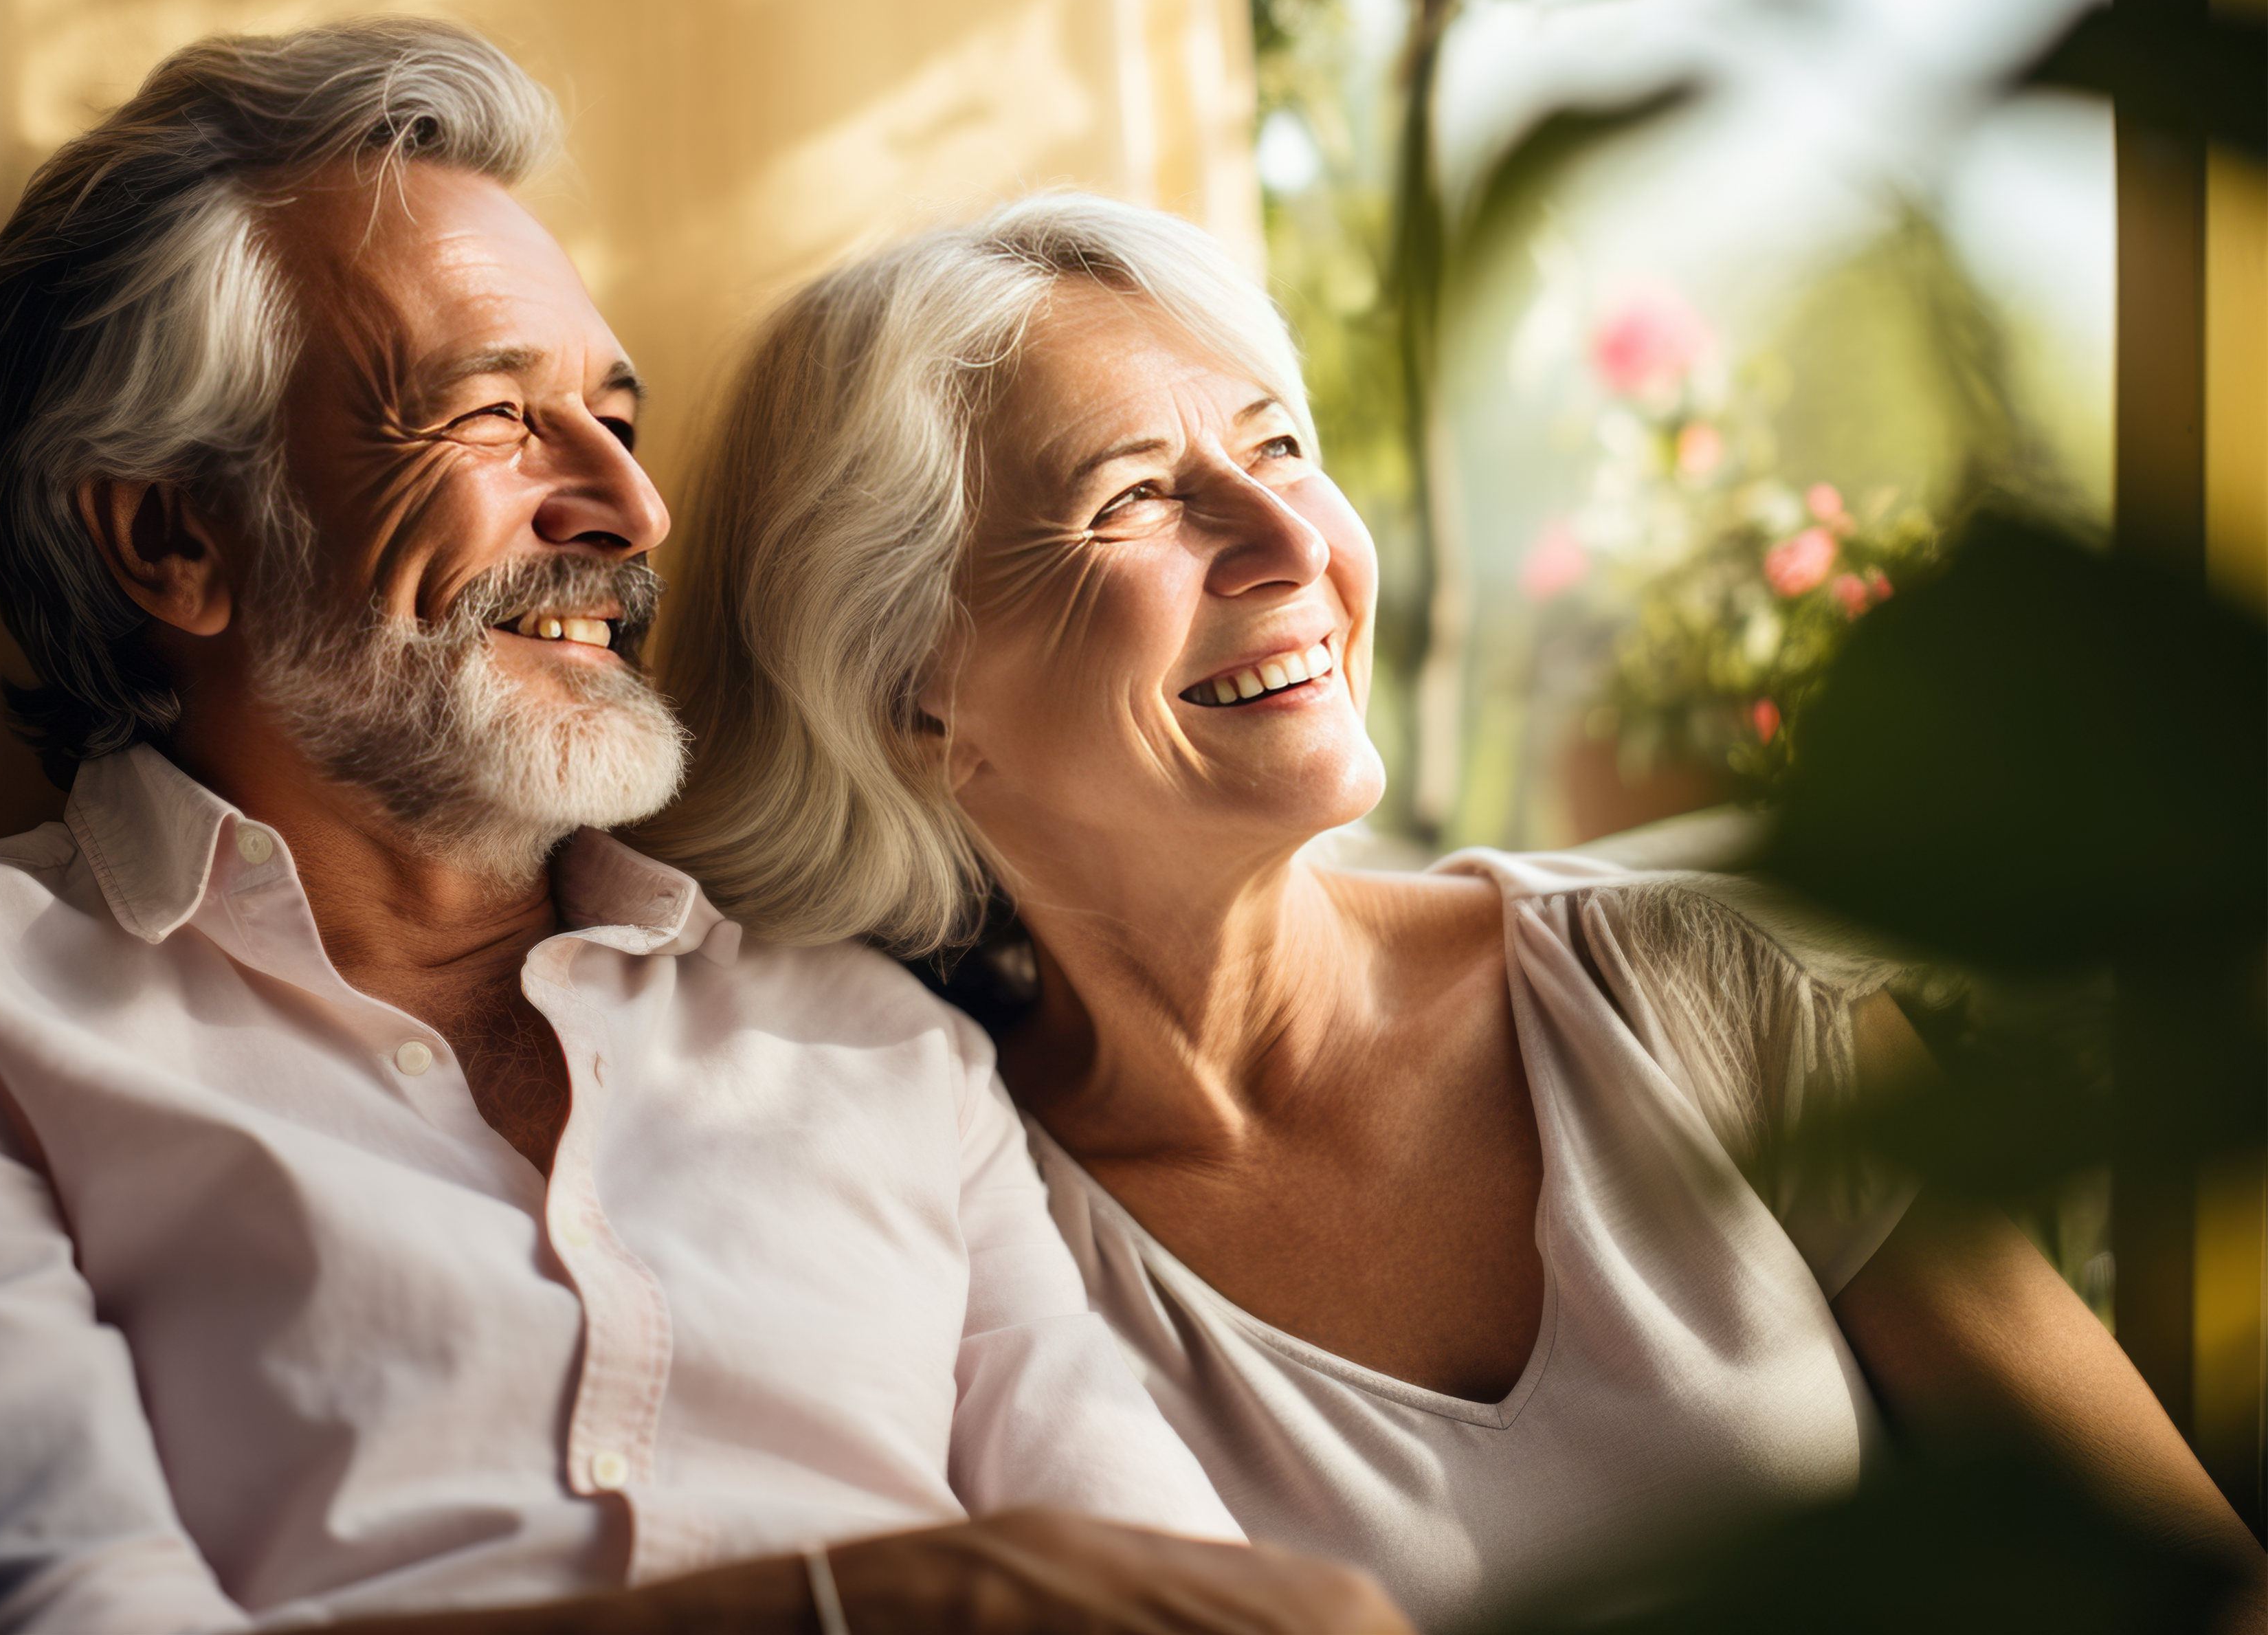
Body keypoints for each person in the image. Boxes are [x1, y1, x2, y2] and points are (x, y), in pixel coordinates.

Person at [0, 24, 1408, 1635]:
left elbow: (1197, 1604)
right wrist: (873, 1601)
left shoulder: (874, 1045)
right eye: (493, 414)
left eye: (618, 421)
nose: (630, 505)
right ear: (173, 539)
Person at [636, 191, 2268, 1631]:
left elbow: (2181, 1584)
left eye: (1279, 446)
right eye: (1136, 496)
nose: (1292, 541)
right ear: (917, 694)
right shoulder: (937, 1230)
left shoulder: (1707, 985)